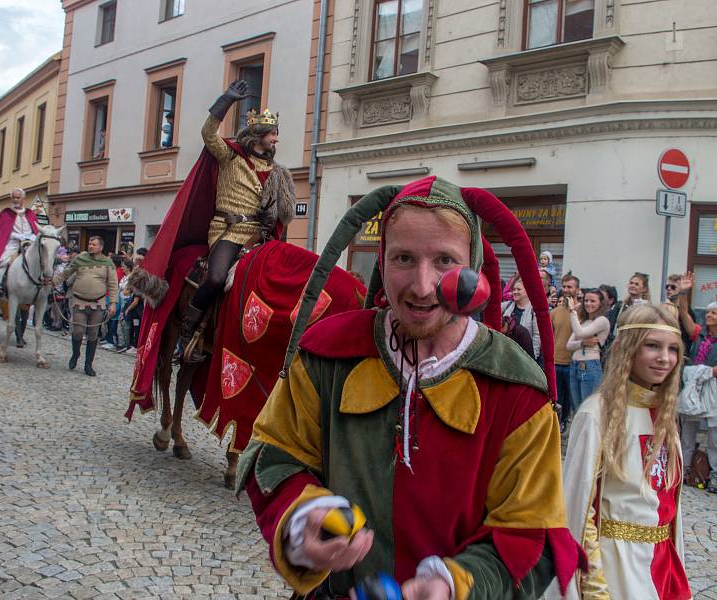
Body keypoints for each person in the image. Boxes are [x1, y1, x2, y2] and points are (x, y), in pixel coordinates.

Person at [237, 177, 584, 599]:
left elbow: (530, 535)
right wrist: (302, 515)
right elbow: (273, 456)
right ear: (381, 262)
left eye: (444, 260)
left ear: (472, 268)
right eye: (404, 258)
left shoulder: (519, 388)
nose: (422, 286)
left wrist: (453, 585)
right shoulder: (326, 354)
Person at [559, 304, 689, 600]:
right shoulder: (597, 415)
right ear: (626, 349)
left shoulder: (665, 416)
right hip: (617, 568)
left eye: (672, 349)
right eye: (652, 346)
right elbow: (579, 511)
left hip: (664, 567)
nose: (664, 358)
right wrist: (593, 587)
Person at [177, 79, 295, 361]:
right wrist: (226, 101)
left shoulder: (277, 172)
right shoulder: (230, 156)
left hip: (261, 235)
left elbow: (282, 214)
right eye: (273, 134)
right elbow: (207, 133)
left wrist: (272, 216)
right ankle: (187, 335)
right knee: (216, 278)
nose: (277, 139)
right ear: (259, 135)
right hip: (228, 231)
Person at [53, 236, 117, 376]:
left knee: (93, 334)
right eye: (89, 243)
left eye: (94, 244)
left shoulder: (108, 263)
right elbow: (66, 273)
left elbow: (113, 285)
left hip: (98, 304)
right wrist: (52, 282)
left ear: (100, 247)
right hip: (79, 301)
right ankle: (75, 355)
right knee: (78, 332)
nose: (90, 246)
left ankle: (88, 365)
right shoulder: (80, 259)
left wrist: (113, 303)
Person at [681, 301, 717, 493]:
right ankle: (685, 469)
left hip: (713, 389)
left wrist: (706, 371)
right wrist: (684, 294)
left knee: (714, 436)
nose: (709, 315)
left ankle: (714, 475)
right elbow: (685, 315)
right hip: (695, 386)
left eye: (714, 313)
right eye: (709, 312)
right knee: (688, 430)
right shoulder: (700, 335)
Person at [0, 188, 39, 295]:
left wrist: (32, 237)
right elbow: (1, 232)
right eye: (14, 197)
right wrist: (17, 235)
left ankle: (45, 287)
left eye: (18, 197)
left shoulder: (30, 213)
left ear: (23, 198)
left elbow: (36, 229)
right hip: (13, 243)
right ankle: (0, 285)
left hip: (30, 243)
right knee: (2, 261)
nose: (15, 200)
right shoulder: (6, 213)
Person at [566, 288, 611, 413]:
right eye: (586, 300)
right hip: (574, 365)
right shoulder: (583, 321)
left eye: (593, 301)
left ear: (601, 303)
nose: (588, 304)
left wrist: (572, 311)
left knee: (587, 409)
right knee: (576, 409)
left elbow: (580, 332)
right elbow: (568, 345)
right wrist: (583, 343)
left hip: (589, 366)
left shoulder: (602, 320)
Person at [551, 273, 580, 429]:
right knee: (558, 397)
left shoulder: (580, 311)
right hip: (556, 360)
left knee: (572, 398)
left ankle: (570, 424)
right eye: (564, 286)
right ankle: (559, 423)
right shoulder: (555, 312)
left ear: (577, 289)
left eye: (570, 287)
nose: (566, 290)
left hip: (573, 362)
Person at [501, 277, 541, 360]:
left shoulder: (534, 310)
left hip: (525, 356)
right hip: (506, 353)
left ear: (527, 291)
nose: (515, 292)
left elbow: (537, 336)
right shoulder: (506, 306)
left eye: (518, 289)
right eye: (514, 289)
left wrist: (533, 358)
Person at [665, 272, 699, 360]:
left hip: (680, 355)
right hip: (665, 351)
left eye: (673, 287)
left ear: (680, 290)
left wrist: (684, 292)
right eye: (667, 286)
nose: (669, 289)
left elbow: (684, 312)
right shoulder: (665, 308)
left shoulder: (688, 312)